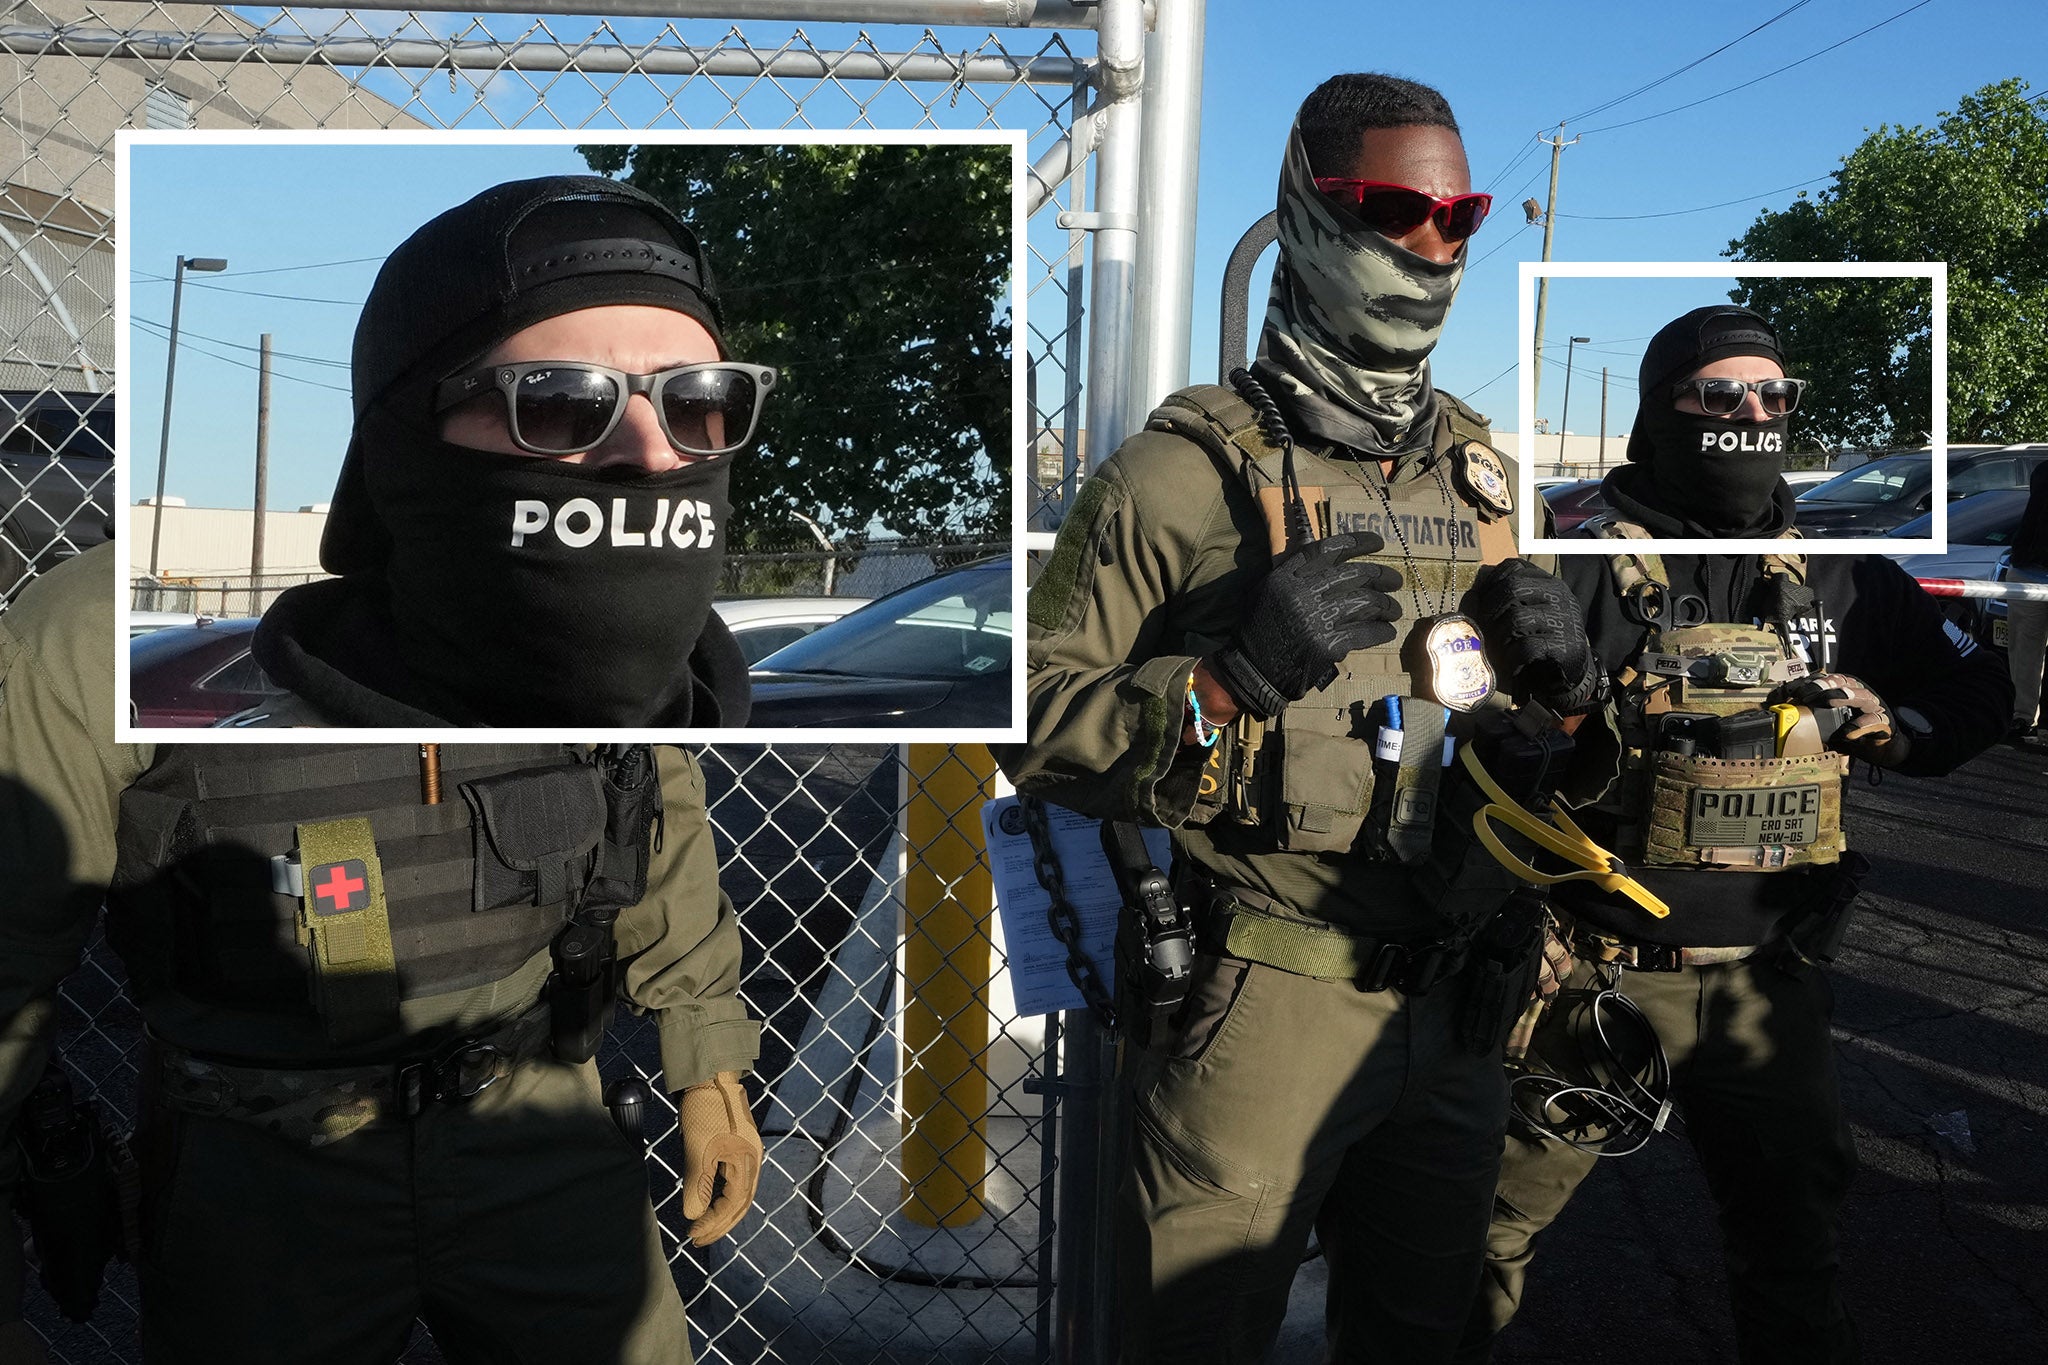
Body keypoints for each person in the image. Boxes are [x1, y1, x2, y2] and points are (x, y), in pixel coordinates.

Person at [1006, 72, 1601, 1362]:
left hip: (1453, 1010)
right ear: (1309, 212)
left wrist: (1565, 699)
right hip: (1265, 1000)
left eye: (1459, 215)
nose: (1431, 244)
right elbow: (1036, 718)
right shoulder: (1180, 471)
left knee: (1427, 1333)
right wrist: (1224, 686)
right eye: (1395, 207)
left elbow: (1503, 738)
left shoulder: (1483, 473)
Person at [1, 540, 765, 1363]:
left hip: (535, 1127)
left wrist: (709, 1050)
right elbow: (12, 943)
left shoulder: (554, 580)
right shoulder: (90, 626)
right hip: (259, 1175)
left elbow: (644, 788)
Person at [1455, 305, 2013, 1364]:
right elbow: (1465, 742)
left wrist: (1899, 729)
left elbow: (1976, 678)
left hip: (1769, 983)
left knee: (1792, 1249)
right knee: (1482, 1242)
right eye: (1717, 396)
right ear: (1657, 416)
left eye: (1773, 397)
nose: (1750, 415)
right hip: (1589, 980)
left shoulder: (1844, 581)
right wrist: (1550, 723)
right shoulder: (1561, 577)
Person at [233, 174, 776, 727]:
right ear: (402, 449)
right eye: (559, 401)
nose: (653, 452)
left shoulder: (715, 765)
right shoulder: (242, 792)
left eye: (696, 400)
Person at [2004, 460, 2048, 746]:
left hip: (2027, 567)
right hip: (2028, 570)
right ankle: (2022, 717)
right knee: (2023, 651)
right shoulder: (2043, 471)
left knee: (2025, 650)